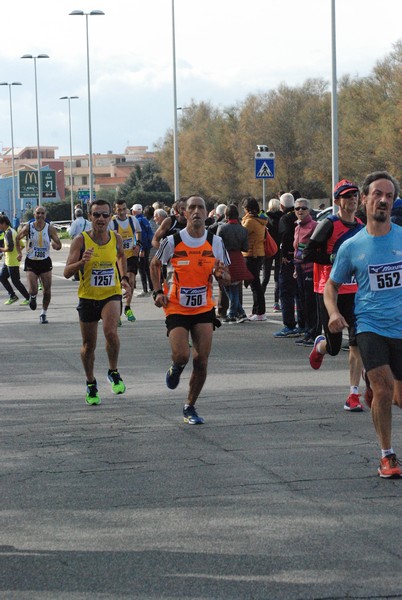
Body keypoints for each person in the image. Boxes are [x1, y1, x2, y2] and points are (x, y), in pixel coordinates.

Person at [324, 171, 402, 477]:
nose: (383, 200)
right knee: (383, 389)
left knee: (397, 398)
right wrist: (333, 313)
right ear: (365, 199)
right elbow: (331, 286)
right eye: (377, 194)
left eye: (389, 196)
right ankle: (388, 456)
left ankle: (378, 394)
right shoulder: (352, 246)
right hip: (370, 325)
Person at [150, 195, 230, 425]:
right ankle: (176, 367)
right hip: (175, 306)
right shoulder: (173, 241)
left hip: (203, 307)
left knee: (202, 360)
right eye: (191, 208)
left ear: (207, 213)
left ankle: (189, 406)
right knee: (182, 355)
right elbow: (154, 264)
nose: (196, 211)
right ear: (184, 213)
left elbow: (227, 276)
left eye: (200, 208)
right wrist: (157, 292)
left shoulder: (215, 242)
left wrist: (221, 275)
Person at [304, 179, 365, 412]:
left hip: (356, 291)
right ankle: (320, 346)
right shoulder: (328, 224)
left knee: (357, 343)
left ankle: (353, 394)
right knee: (334, 346)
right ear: (337, 200)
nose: (352, 199)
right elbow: (308, 252)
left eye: (355, 195)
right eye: (347, 196)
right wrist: (335, 259)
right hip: (329, 290)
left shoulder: (360, 225)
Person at [64, 199, 131, 406]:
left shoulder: (116, 238)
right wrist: (81, 262)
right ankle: (91, 383)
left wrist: (125, 279)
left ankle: (113, 371)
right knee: (88, 346)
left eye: (105, 215)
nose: (101, 219)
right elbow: (66, 272)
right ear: (90, 217)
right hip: (88, 297)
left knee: (111, 332)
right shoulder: (80, 240)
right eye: (96, 215)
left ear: (110, 217)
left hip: (111, 294)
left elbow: (121, 257)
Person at [17, 206, 62, 324]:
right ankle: (32, 297)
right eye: (38, 213)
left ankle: (43, 313)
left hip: (45, 261)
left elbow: (58, 244)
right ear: (34, 215)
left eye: (42, 213)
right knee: (33, 290)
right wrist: (19, 253)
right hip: (31, 261)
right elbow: (17, 238)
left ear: (45, 215)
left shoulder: (50, 229)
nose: (40, 215)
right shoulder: (28, 227)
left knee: (47, 290)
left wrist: (56, 246)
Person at [273, 192, 304, 337]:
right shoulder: (302, 216)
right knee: (300, 292)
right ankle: (303, 324)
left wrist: (285, 254)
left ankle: (290, 325)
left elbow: (285, 236)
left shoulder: (285, 218)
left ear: (281, 206)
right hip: (303, 259)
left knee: (286, 292)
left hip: (289, 260)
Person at [293, 198, 320, 346]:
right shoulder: (297, 227)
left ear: (309, 210)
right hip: (299, 269)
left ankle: (314, 333)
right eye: (297, 209)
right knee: (303, 302)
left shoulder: (314, 226)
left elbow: (317, 248)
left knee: (311, 303)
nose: (300, 211)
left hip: (311, 269)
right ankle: (307, 332)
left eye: (303, 208)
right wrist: (295, 269)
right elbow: (297, 249)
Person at [217, 204, 251, 323]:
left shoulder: (222, 228)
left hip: (225, 258)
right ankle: (240, 312)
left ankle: (232, 313)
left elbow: (217, 246)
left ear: (226, 215)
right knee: (235, 286)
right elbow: (246, 248)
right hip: (238, 257)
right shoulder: (243, 230)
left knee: (226, 284)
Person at [111, 199, 142, 322]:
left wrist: (138, 244)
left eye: (124, 209)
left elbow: (139, 231)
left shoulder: (132, 219)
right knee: (118, 284)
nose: (122, 212)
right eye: (119, 209)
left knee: (131, 280)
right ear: (115, 210)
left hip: (131, 254)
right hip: (117, 257)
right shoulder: (112, 222)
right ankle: (117, 312)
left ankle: (127, 307)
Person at [241, 197, 267, 321]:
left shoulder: (250, 221)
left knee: (255, 284)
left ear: (247, 209)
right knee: (255, 283)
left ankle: (260, 312)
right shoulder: (260, 219)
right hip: (258, 253)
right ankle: (256, 310)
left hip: (252, 254)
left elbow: (241, 233)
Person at [0, 215, 30, 306]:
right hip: (8, 261)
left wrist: (1, 249)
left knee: (16, 281)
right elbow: (22, 245)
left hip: (12, 262)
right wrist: (18, 253)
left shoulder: (8, 233)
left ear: (4, 223)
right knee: (2, 277)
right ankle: (12, 296)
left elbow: (9, 248)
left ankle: (28, 298)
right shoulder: (13, 231)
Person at [262, 198, 281, 311]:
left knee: (265, 277)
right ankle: (276, 303)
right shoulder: (282, 218)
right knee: (277, 277)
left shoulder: (264, 217)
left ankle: (261, 300)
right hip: (279, 249)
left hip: (267, 249)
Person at [131, 203, 154, 296]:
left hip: (142, 248)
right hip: (147, 246)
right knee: (146, 268)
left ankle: (145, 289)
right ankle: (151, 287)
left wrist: (141, 248)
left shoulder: (138, 221)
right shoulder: (144, 219)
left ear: (134, 211)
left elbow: (142, 236)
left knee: (142, 269)